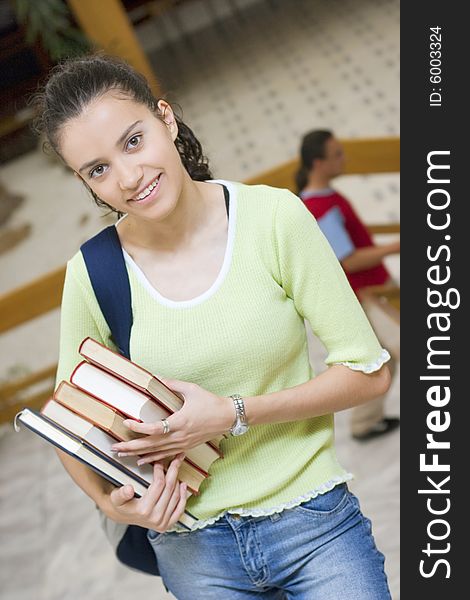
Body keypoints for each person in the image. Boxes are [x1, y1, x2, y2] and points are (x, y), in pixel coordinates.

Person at [35, 54, 393, 598]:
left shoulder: (274, 219)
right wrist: (111, 503)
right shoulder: (93, 272)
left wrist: (232, 414)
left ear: (166, 119)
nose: (128, 178)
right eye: (97, 169)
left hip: (315, 524)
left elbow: (368, 373)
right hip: (193, 550)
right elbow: (67, 425)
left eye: (133, 141)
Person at [296, 129, 400, 442]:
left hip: (369, 287)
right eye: (337, 154)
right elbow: (350, 261)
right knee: (386, 355)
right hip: (365, 290)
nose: (345, 158)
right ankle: (364, 423)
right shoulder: (323, 208)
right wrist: (395, 246)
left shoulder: (322, 199)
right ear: (319, 163)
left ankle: (366, 421)